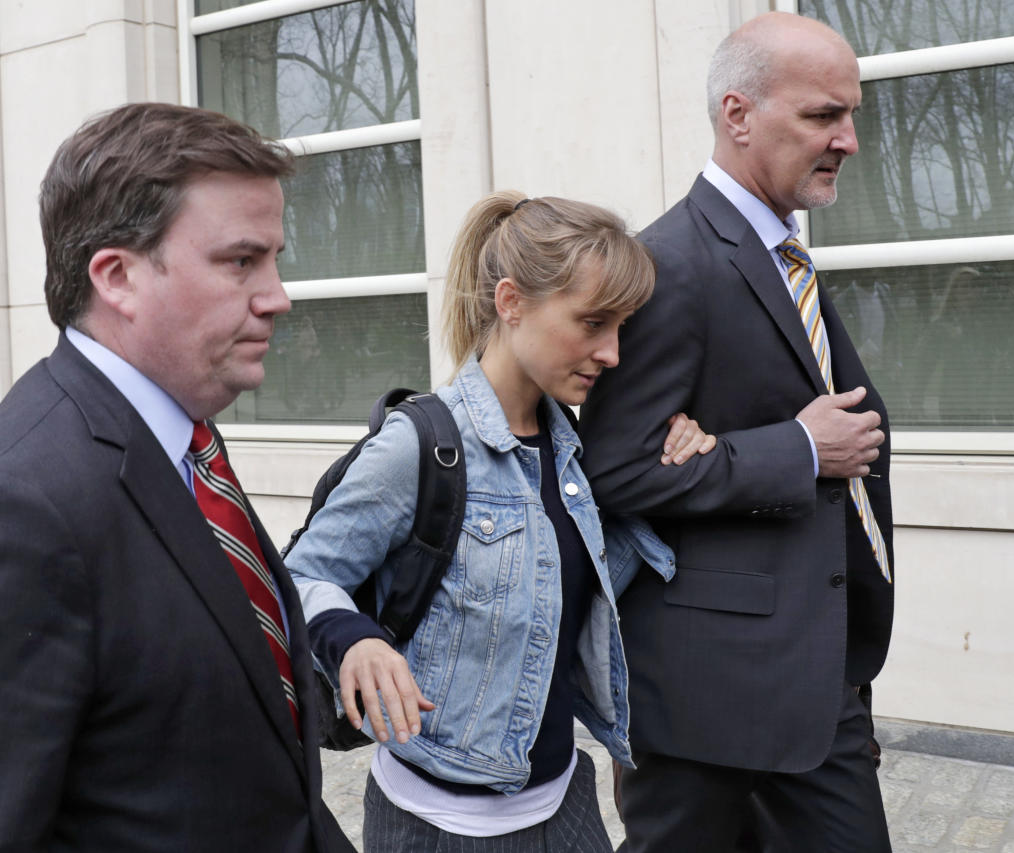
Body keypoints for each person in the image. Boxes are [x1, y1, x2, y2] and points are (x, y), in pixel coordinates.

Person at [284, 190, 715, 852]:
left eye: (621, 327)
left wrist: (675, 458)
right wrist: (356, 639)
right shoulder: (422, 445)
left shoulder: (572, 448)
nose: (614, 353)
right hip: (437, 828)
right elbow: (304, 572)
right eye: (594, 323)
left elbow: (584, 587)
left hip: (567, 809)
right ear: (511, 303)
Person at [578, 11, 894, 852]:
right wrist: (794, 450)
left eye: (850, 114)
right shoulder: (670, 264)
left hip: (816, 674)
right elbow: (612, 470)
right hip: (709, 702)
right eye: (824, 116)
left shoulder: (783, 254)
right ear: (738, 114)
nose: (848, 139)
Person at [0, 103, 352, 851]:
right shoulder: (25, 501)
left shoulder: (184, 440)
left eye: (275, 259)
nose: (279, 296)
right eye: (240, 261)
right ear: (118, 276)